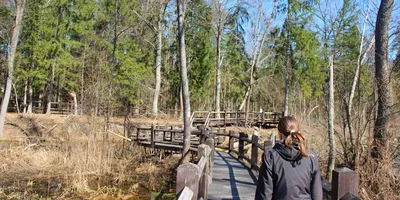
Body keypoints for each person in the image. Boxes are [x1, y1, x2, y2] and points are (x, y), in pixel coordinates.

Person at [255, 116, 323, 200]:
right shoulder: (310, 157)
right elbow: (317, 194)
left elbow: (264, 193)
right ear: (299, 132)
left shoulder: (271, 156)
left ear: (279, 134)